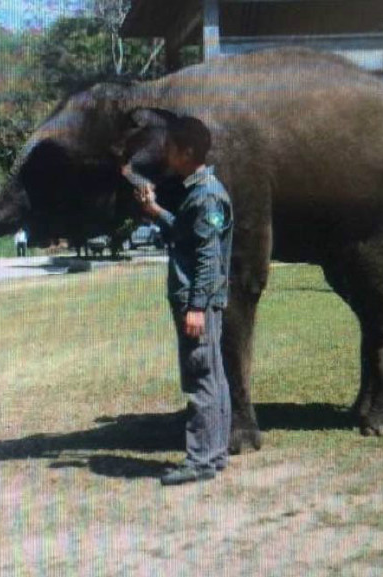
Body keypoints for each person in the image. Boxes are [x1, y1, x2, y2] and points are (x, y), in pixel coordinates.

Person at [124, 115, 234, 486]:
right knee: (213, 376)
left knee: (202, 376)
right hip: (198, 301)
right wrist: (155, 211)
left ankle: (201, 460)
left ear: (187, 152)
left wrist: (197, 307)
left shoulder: (206, 196)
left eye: (170, 147)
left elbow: (208, 258)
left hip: (197, 303)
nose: (165, 153)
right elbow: (186, 236)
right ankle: (214, 454)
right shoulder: (200, 192)